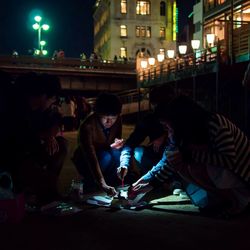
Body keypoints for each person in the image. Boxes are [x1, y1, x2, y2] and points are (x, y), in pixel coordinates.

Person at [133, 95, 250, 216]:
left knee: (192, 167)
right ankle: (224, 200)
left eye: (168, 126)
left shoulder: (215, 123)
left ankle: (238, 202)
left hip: (242, 175)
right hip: (226, 173)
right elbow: (171, 163)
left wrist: (190, 155)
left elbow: (230, 160)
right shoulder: (187, 134)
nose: (167, 130)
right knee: (182, 164)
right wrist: (151, 184)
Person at [11, 72, 68, 205]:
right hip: (16, 159)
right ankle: (39, 189)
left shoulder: (41, 111)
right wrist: (43, 136)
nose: (53, 102)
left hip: (31, 153)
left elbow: (53, 124)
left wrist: (50, 135)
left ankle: (47, 185)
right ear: (43, 96)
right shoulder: (16, 109)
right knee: (36, 174)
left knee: (62, 144)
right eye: (52, 99)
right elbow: (18, 138)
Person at [118, 85, 178, 191]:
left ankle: (172, 181)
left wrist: (164, 136)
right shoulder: (149, 120)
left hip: (175, 161)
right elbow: (131, 143)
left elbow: (169, 156)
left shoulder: (177, 122)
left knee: (173, 157)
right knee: (138, 151)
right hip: (159, 157)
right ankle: (159, 181)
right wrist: (124, 164)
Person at [72, 92, 124, 196]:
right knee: (106, 156)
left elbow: (116, 141)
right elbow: (90, 155)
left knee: (117, 153)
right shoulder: (87, 125)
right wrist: (102, 183)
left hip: (105, 153)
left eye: (113, 118)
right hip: (86, 159)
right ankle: (92, 182)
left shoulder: (118, 121)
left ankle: (112, 181)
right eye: (105, 118)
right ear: (97, 113)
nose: (109, 122)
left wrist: (116, 145)